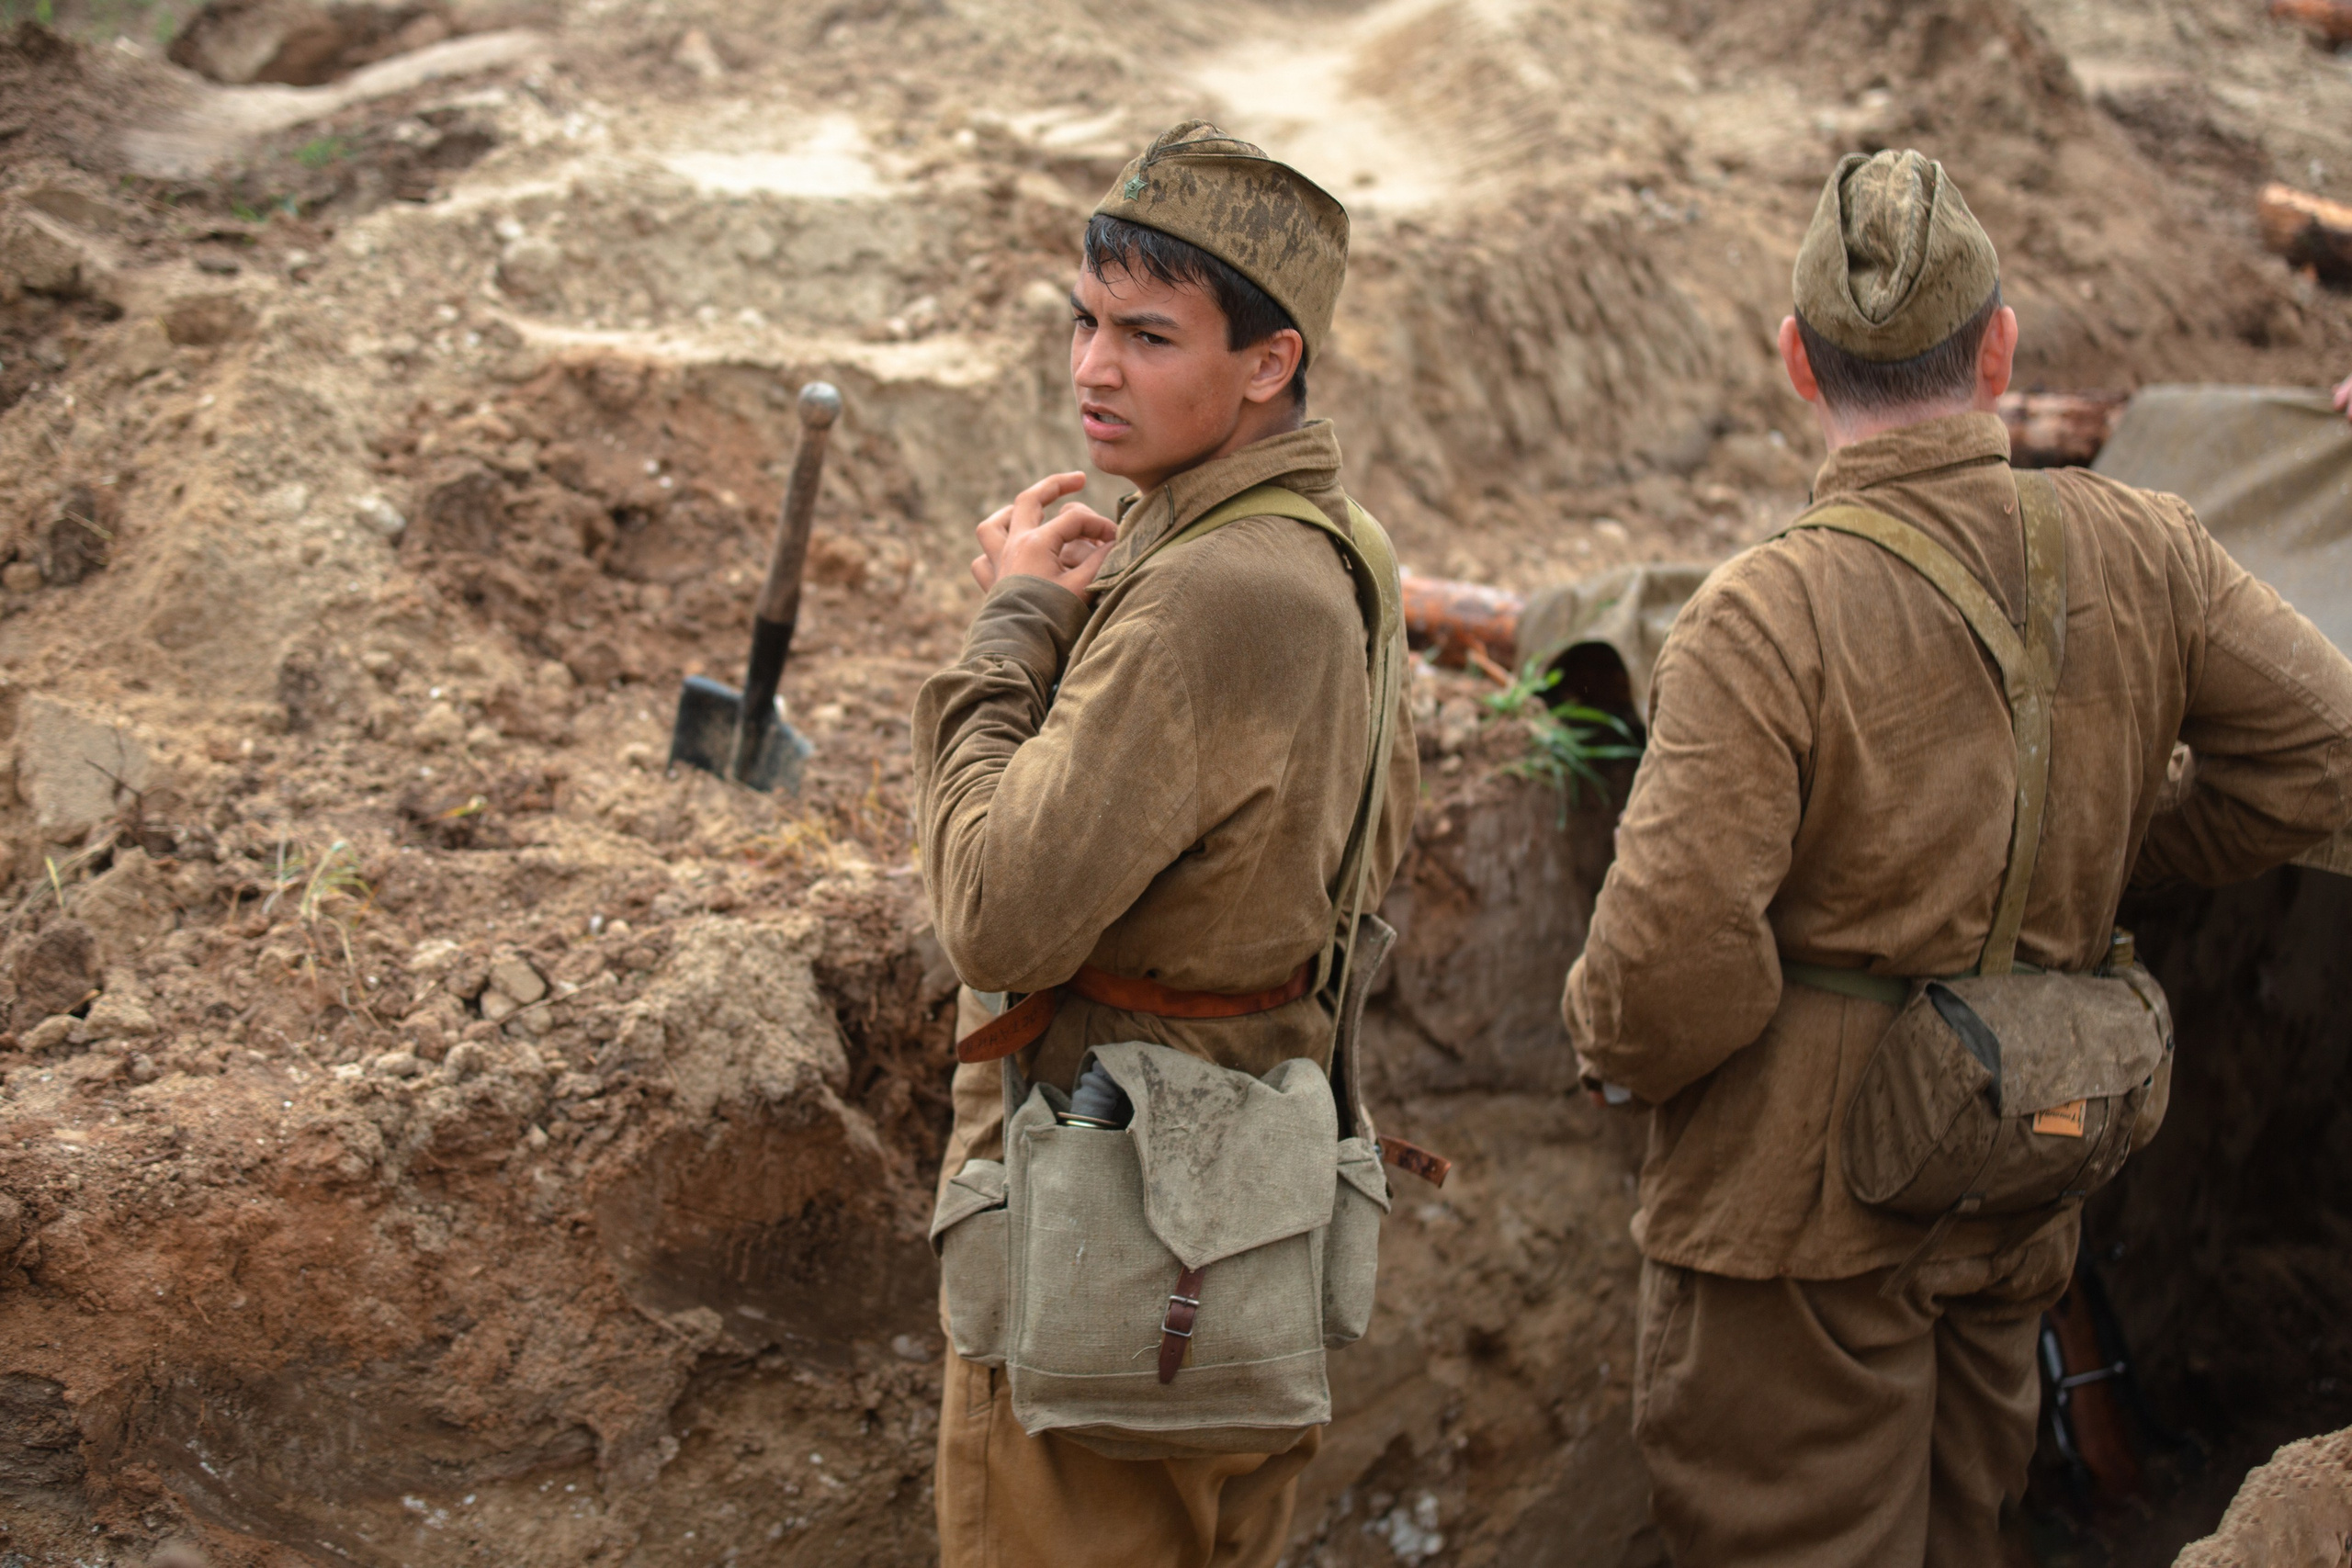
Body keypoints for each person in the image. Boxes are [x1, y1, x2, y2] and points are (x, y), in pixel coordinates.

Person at [1563, 148, 2352, 1567]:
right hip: (2018, 1170)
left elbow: (1666, 968)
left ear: (1797, 363)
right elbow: (2323, 755)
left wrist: (1616, 1049)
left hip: (1791, 1225)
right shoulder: (2147, 547)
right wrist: (2121, 863)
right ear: (1999, 348)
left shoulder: (1763, 613)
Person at [910, 121, 1418, 1568]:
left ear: (1269, 362)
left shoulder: (1213, 593)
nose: (1091, 370)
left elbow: (997, 917)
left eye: (1148, 334)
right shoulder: (1340, 547)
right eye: (1083, 321)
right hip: (1245, 1209)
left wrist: (1012, 626)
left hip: (1110, 1225)